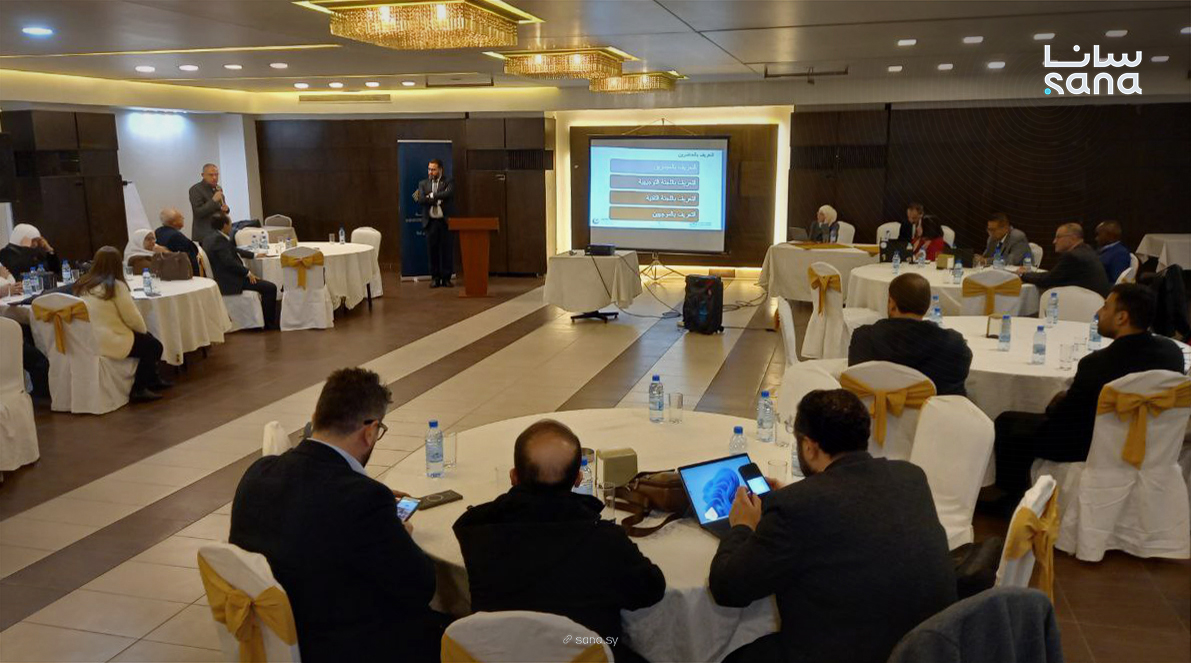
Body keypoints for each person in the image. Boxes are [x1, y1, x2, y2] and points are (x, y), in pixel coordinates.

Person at [710, 389, 956, 663]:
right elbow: (857, 510)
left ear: (808, 446)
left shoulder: (797, 507)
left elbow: (728, 588)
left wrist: (742, 525)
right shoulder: (911, 476)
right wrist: (801, 495)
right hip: (927, 649)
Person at [230, 368, 444, 663]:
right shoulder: (364, 500)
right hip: (341, 646)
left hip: (265, 636)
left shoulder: (258, 473)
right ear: (370, 431)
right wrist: (400, 535)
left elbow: (310, 510)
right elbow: (420, 587)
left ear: (316, 417)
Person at [453, 419, 665, 663]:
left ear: (513, 476)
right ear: (578, 479)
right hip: (586, 653)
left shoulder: (477, 531)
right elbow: (651, 590)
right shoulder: (604, 540)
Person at [993, 284, 1185, 494]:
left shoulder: (1097, 364)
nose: (1098, 313)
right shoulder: (1172, 353)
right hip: (1154, 444)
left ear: (1122, 317)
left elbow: (1067, 421)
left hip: (1092, 447)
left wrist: (1054, 406)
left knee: (1007, 423)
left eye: (1105, 307)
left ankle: (1012, 498)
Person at [72, 246, 171, 402]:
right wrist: (144, 331)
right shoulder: (115, 286)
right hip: (111, 339)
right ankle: (139, 388)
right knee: (154, 346)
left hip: (88, 337)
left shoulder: (83, 283)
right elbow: (132, 318)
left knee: (148, 341)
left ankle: (152, 380)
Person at [849, 273, 972, 396]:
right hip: (934, 408)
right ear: (927, 306)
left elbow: (856, 383)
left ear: (892, 304)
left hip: (874, 408)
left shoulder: (863, 339)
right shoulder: (954, 347)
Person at [200, 214, 278, 330]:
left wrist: (254, 255)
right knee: (270, 288)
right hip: (231, 280)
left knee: (265, 284)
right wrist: (247, 273)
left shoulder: (210, 237)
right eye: (230, 223)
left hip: (225, 276)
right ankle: (269, 324)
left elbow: (233, 250)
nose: (231, 226)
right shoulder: (218, 240)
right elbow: (229, 262)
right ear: (225, 225)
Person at [1017, 223, 1111, 297]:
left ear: (1072, 238)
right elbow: (1054, 275)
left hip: (1084, 305)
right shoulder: (1086, 249)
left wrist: (1023, 275)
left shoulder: (1072, 256)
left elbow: (1047, 280)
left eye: (1058, 237)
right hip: (1096, 300)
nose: (1054, 241)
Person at [414, 158, 454, 288]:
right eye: (429, 169)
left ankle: (446, 278)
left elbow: (448, 194)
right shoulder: (423, 183)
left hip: (444, 222)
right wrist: (437, 198)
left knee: (446, 251)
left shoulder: (448, 181)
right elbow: (421, 199)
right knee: (432, 252)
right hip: (430, 222)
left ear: (440, 170)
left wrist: (431, 196)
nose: (430, 172)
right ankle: (435, 278)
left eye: (433, 169)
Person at [189, 163, 229, 243]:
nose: (214, 177)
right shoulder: (195, 189)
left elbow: (220, 208)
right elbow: (198, 212)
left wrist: (226, 209)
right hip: (204, 234)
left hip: (219, 232)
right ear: (203, 175)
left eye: (216, 174)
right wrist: (213, 200)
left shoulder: (218, 188)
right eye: (211, 175)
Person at [155, 208, 201, 275]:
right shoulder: (176, 236)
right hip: (181, 272)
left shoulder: (158, 231)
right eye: (180, 217)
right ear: (174, 222)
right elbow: (189, 255)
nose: (183, 218)